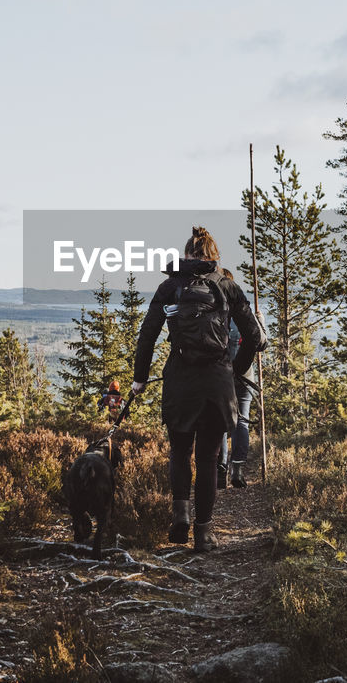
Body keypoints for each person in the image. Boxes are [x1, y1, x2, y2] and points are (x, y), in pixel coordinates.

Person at [131, 226, 263, 552]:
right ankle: (203, 534)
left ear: (187, 255)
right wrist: (235, 371)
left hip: (180, 379)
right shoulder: (228, 287)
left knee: (179, 451)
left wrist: (140, 378)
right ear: (214, 256)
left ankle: (181, 514)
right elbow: (256, 339)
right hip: (217, 382)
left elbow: (147, 335)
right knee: (207, 458)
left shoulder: (169, 286)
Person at [217, 268, 255, 489]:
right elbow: (261, 341)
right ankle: (237, 468)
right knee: (242, 419)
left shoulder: (215, 313)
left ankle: (220, 467)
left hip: (220, 375)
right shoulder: (246, 312)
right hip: (245, 375)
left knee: (220, 423)